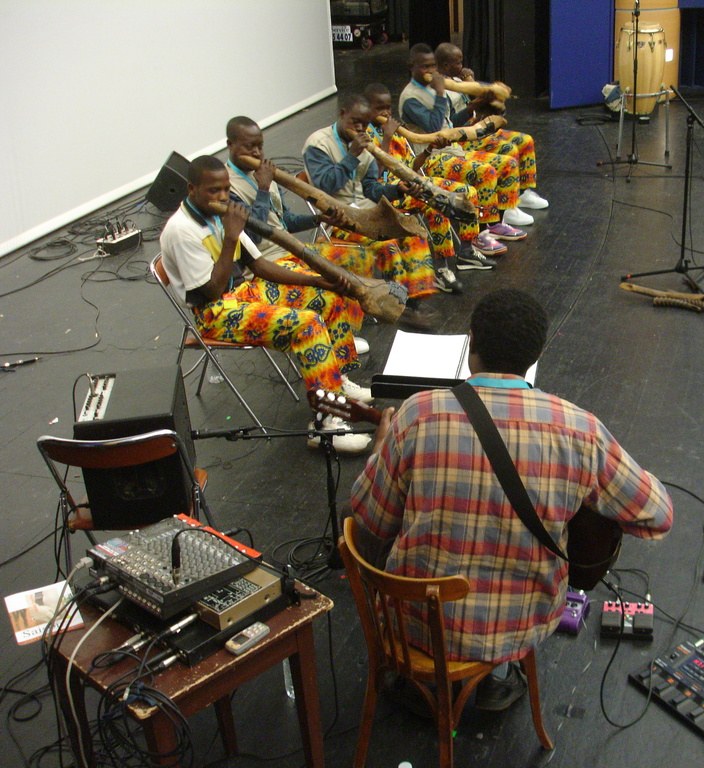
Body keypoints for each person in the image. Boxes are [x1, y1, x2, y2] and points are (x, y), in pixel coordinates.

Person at [350, 288, 673, 711]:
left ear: (472, 344)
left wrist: (382, 450)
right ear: (535, 354)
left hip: (415, 623)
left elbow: (370, 518)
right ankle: (493, 672)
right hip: (521, 621)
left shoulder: (418, 413)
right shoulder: (580, 430)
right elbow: (658, 515)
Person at [159, 155, 372, 453]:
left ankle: (336, 382)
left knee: (328, 299)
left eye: (225, 189)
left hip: (245, 292)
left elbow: (258, 265)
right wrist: (231, 237)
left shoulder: (221, 215)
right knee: (308, 326)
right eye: (213, 190)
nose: (223, 196)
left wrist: (318, 282)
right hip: (215, 312)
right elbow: (212, 291)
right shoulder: (181, 230)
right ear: (192, 189)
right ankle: (326, 425)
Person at [224, 116, 369, 356]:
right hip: (265, 266)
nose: (257, 152)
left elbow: (285, 221)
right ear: (230, 145)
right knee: (330, 285)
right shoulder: (226, 187)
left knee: (355, 261)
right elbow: (252, 236)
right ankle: (336, 348)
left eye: (260, 146)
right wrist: (262, 189)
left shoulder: (263, 173)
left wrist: (318, 219)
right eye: (249, 147)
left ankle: (342, 331)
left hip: (290, 251)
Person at [303, 94, 440, 329]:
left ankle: (413, 304)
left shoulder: (365, 146)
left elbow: (371, 189)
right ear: (342, 113)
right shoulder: (318, 144)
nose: (359, 128)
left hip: (368, 213)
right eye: (354, 121)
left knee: (414, 235)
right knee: (388, 246)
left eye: (364, 124)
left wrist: (397, 190)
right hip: (337, 218)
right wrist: (351, 156)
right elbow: (326, 185)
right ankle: (399, 308)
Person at [399, 44, 529, 248]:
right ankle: (481, 234)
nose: (430, 71)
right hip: (431, 158)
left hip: (453, 149)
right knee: (486, 172)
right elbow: (435, 127)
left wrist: (475, 105)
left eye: (432, 66)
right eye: (425, 67)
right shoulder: (410, 97)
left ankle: (496, 223)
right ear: (411, 67)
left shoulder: (433, 89)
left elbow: (451, 123)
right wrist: (441, 94)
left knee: (507, 163)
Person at [364, 83, 487, 292]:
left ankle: (466, 250)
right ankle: (442, 268)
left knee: (467, 193)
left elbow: (411, 168)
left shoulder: (399, 133)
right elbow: (375, 176)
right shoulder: (365, 136)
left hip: (411, 185)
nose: (386, 113)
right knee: (437, 203)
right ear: (366, 109)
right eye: (379, 108)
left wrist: (429, 149)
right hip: (387, 194)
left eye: (388, 108)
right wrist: (386, 138)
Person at [434, 42, 549, 212]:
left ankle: (522, 192)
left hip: (477, 128)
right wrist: (473, 107)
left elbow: (477, 101)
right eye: (458, 63)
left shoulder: (458, 80)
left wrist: (474, 85)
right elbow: (451, 123)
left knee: (525, 141)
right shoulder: (439, 90)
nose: (462, 66)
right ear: (445, 65)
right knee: (509, 149)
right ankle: (507, 206)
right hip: (462, 137)